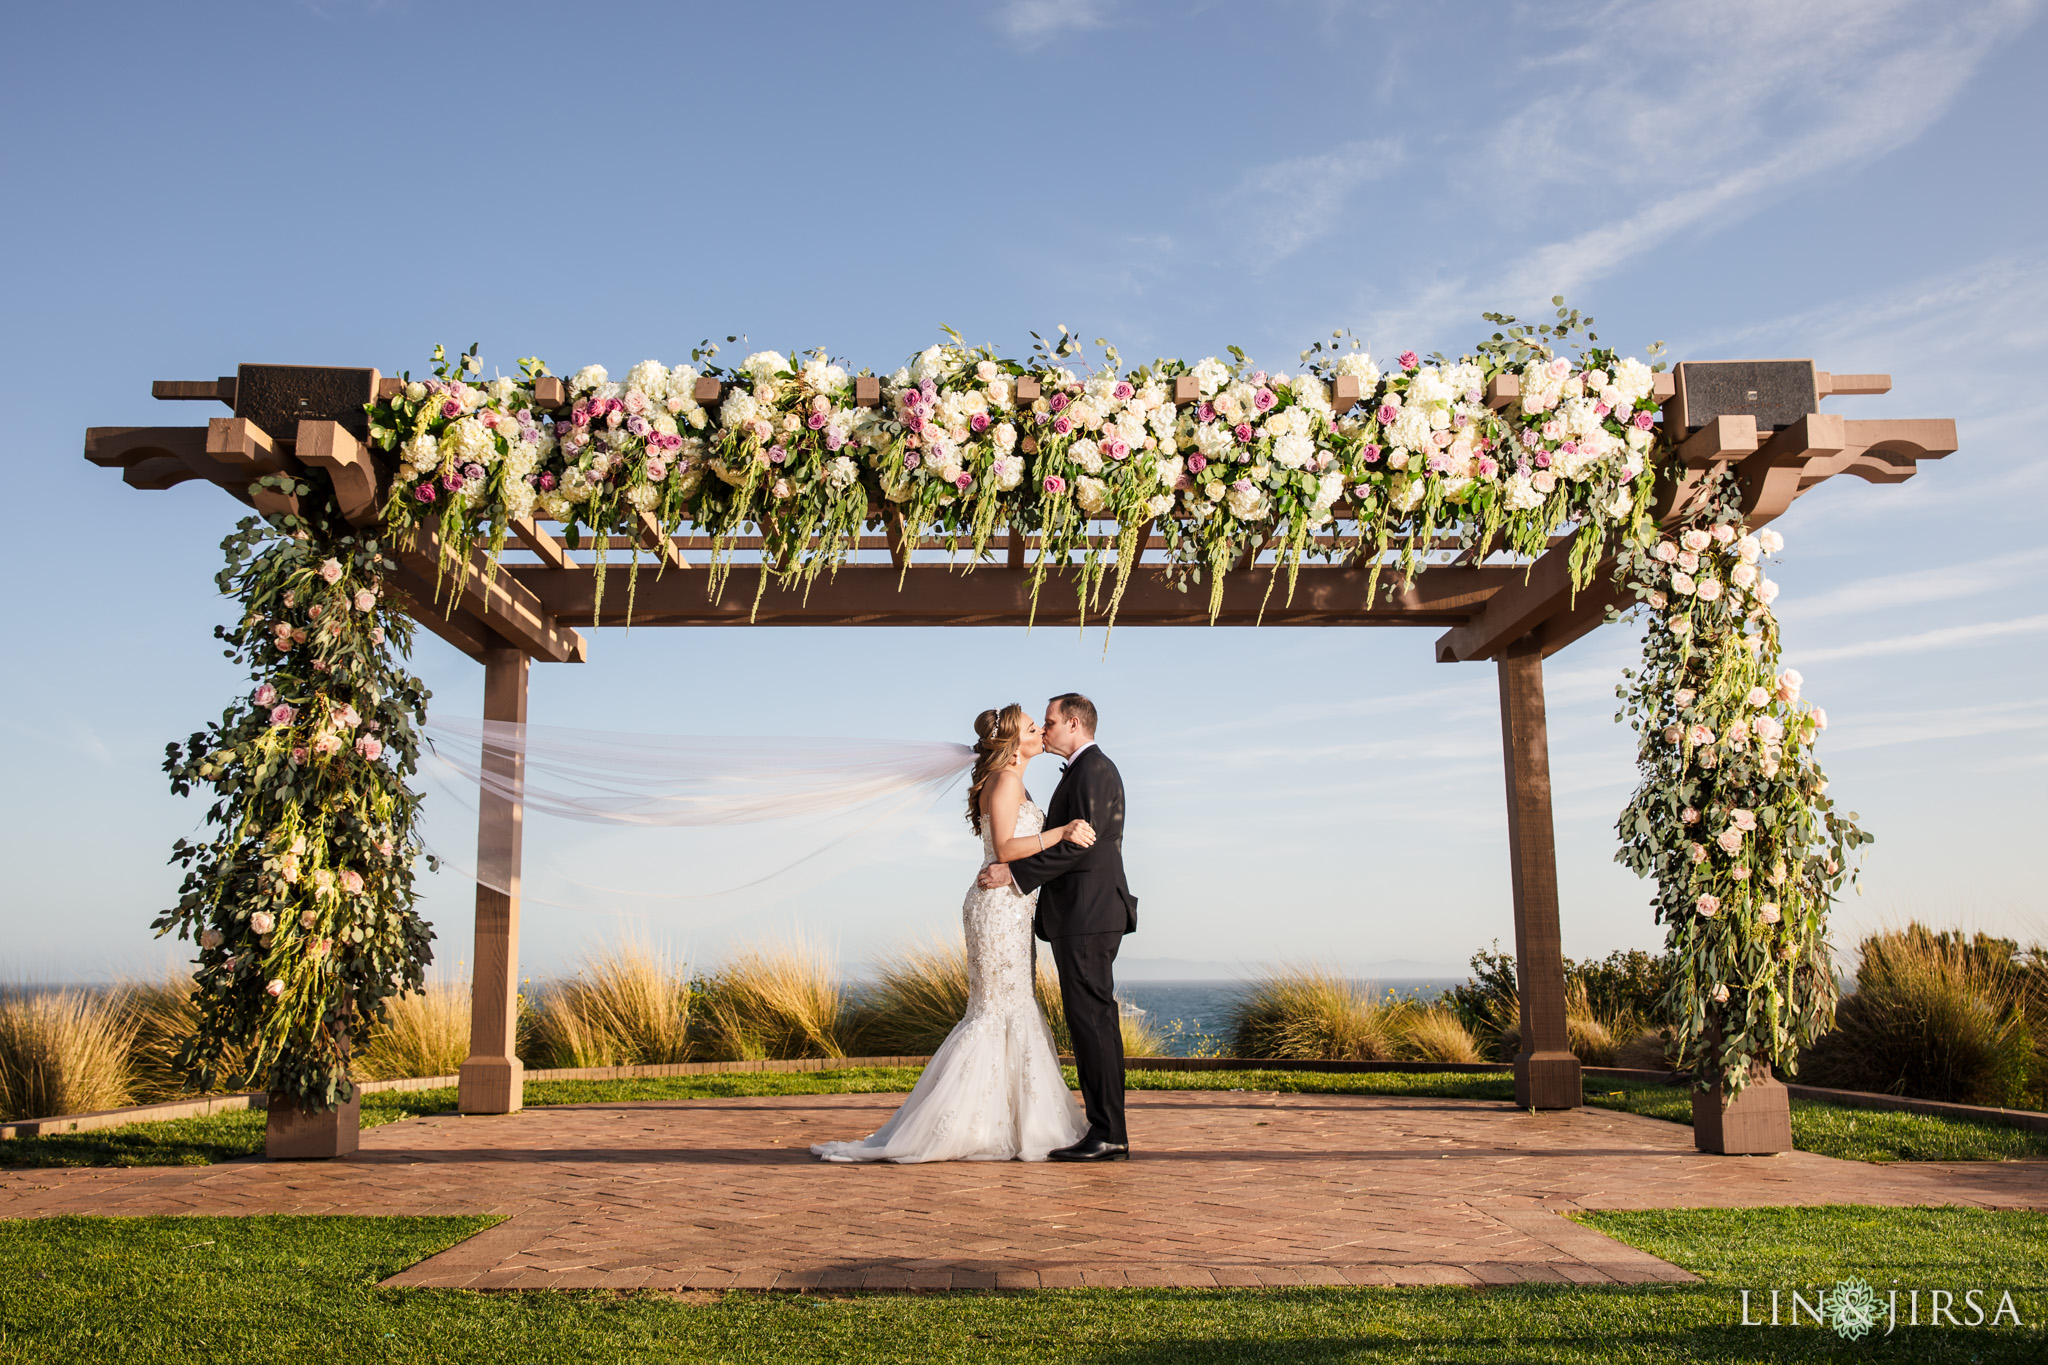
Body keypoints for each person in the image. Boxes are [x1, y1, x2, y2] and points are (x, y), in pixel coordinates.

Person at [810, 703, 1093, 1163]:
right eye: (1030, 727)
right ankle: (972, 1124)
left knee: (1010, 1006)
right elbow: (1004, 847)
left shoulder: (1012, 780)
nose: (1040, 730)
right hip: (997, 908)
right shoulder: (1005, 780)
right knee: (997, 1009)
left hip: (1012, 907)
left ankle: (1006, 1121)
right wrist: (1059, 832)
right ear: (1012, 743)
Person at [976, 692, 1137, 1162]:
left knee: (1093, 1022)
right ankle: (1107, 1129)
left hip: (1088, 916)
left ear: (1072, 723)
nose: (1044, 731)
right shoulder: (1084, 770)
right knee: (1092, 1022)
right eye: (1038, 725)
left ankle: (1108, 1133)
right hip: (1082, 916)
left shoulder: (1094, 769)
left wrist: (1016, 873)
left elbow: (1081, 845)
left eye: (1048, 723)